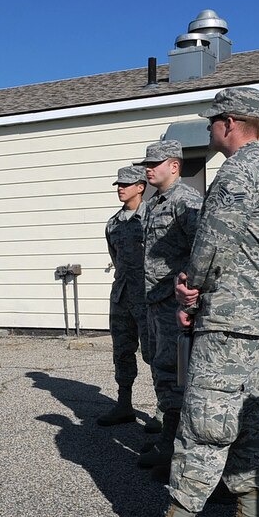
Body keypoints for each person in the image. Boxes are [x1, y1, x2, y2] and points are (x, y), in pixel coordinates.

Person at [107, 87, 259, 517]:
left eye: (212, 123)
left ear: (229, 122)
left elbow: (212, 240)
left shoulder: (241, 169)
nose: (209, 132)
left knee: (205, 422)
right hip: (258, 317)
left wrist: (192, 287)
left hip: (228, 316)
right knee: (250, 415)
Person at [134, 140, 202, 468]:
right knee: (160, 368)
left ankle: (176, 447)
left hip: (172, 301)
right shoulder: (154, 202)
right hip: (153, 299)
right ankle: (168, 438)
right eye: (146, 163)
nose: (148, 168)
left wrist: (188, 298)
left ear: (174, 166)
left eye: (155, 163)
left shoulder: (185, 200)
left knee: (176, 373)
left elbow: (200, 250)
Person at [97, 165, 151, 426]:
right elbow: (116, 260)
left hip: (150, 298)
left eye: (126, 184)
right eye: (118, 185)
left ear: (140, 187)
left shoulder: (152, 218)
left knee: (156, 354)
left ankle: (164, 413)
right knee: (122, 352)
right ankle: (124, 404)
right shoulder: (113, 224)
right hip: (122, 297)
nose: (120, 188)